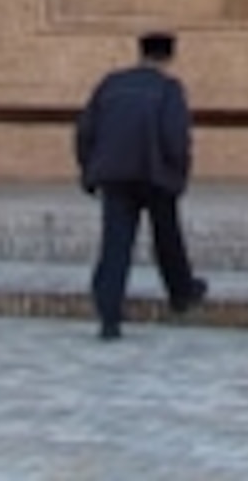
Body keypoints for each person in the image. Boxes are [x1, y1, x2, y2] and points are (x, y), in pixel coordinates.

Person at [73, 30, 209, 339]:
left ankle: (109, 314)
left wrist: (89, 169)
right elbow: (175, 136)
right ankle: (182, 293)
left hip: (114, 175)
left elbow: (85, 130)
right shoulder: (168, 89)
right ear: (169, 57)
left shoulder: (111, 84)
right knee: (167, 238)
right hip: (155, 174)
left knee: (115, 245)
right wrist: (179, 173)